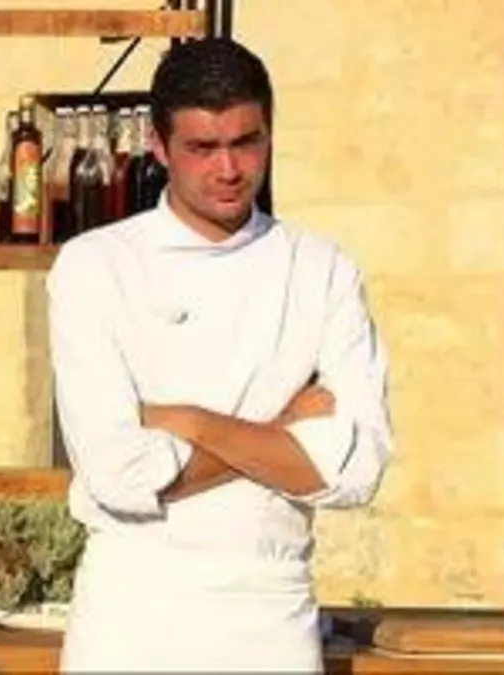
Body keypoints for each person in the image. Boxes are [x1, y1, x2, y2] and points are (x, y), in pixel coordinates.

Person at [48, 38, 392, 672]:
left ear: (270, 133)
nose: (229, 169)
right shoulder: (96, 266)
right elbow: (117, 474)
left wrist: (188, 422)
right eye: (203, 148)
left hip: (272, 612)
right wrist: (282, 431)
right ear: (159, 145)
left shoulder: (321, 270)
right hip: (131, 613)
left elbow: (355, 467)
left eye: (246, 142)